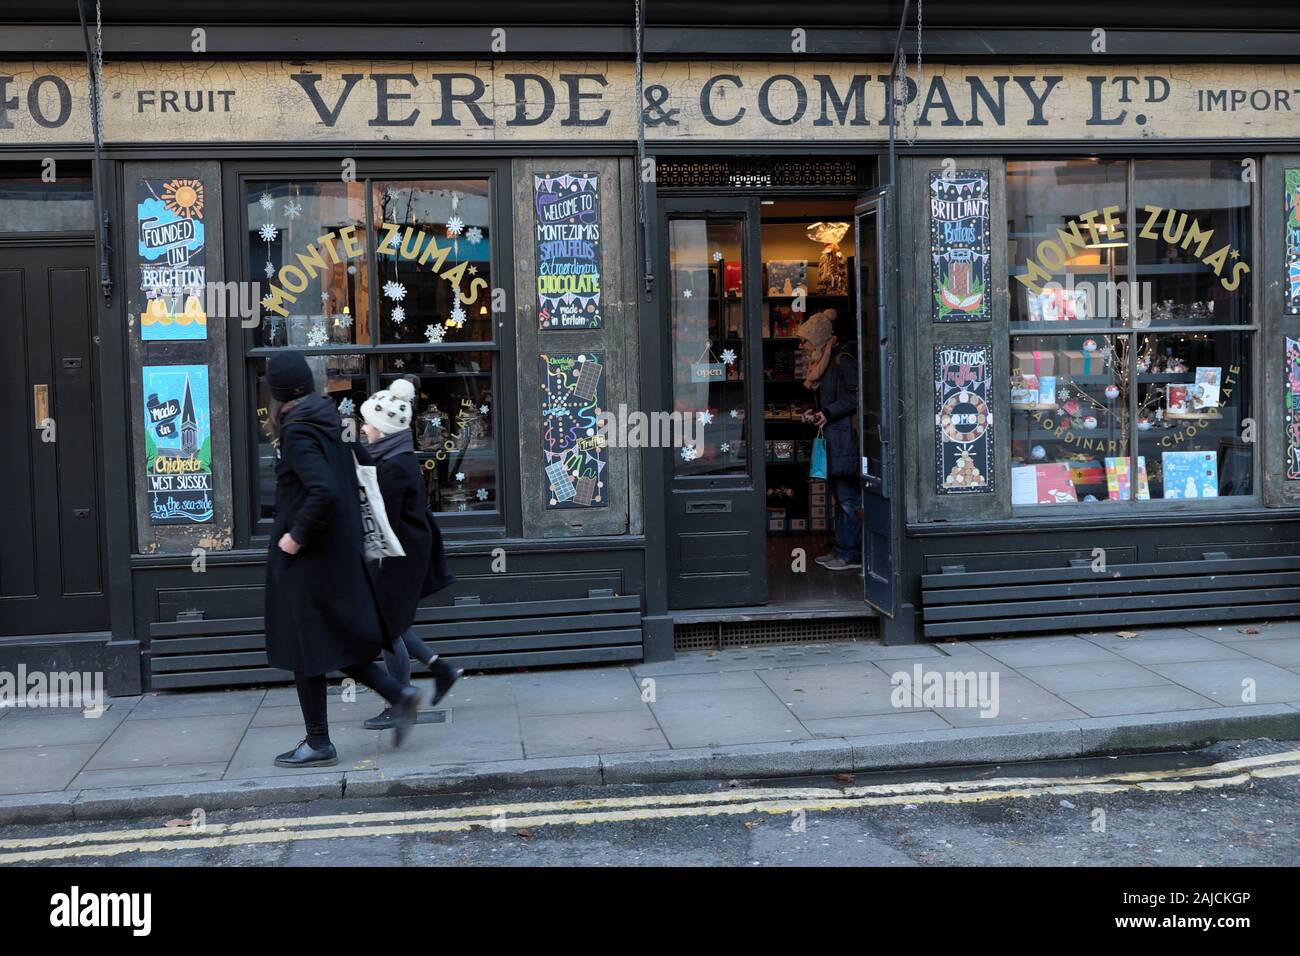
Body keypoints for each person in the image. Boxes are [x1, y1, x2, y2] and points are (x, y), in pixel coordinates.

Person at [262, 350, 421, 768]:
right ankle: (399, 695)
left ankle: (318, 740)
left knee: (304, 647)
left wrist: (294, 538)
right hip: (336, 552)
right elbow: (358, 467)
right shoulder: (327, 420)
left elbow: (323, 490)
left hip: (310, 557)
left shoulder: (298, 431)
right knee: (330, 641)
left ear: (278, 393)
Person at [356, 376, 463, 730]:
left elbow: (381, 518)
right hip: (403, 551)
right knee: (392, 622)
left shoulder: (394, 467)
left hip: (401, 555)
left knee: (388, 625)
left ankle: (401, 699)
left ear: (384, 429)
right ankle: (439, 669)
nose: (363, 427)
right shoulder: (392, 458)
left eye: (369, 422)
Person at [796, 310, 862, 571]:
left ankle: (850, 554)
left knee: (848, 499)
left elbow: (856, 397)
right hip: (836, 439)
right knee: (841, 497)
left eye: (805, 341)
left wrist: (828, 412)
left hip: (845, 440)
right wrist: (816, 413)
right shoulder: (824, 362)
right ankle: (841, 549)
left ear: (819, 339)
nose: (802, 347)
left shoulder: (841, 360)